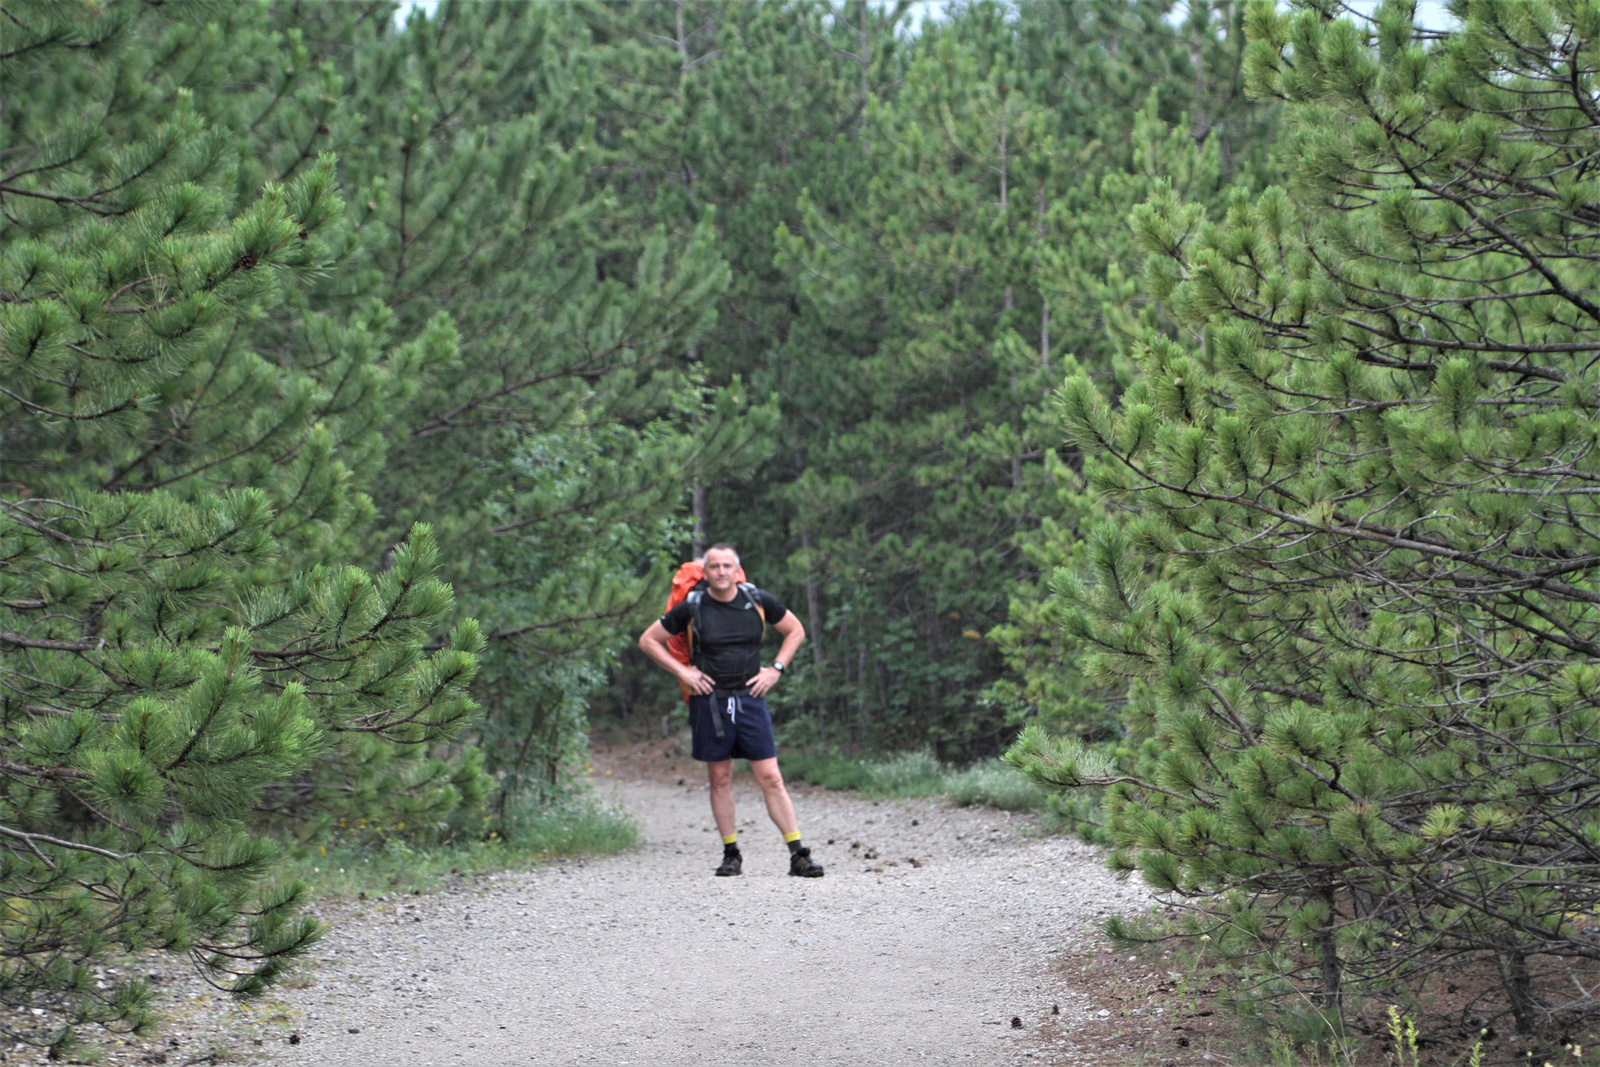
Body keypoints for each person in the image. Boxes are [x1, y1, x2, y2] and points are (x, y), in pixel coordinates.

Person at [638, 543, 823, 878]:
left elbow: (795, 631)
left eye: (727, 566)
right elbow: (648, 640)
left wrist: (775, 669)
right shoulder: (692, 606)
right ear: (705, 572)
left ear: (737, 571)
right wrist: (683, 671)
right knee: (720, 778)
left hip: (751, 698)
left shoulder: (757, 600)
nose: (721, 572)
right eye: (714, 567)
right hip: (709, 701)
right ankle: (731, 854)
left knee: (771, 776)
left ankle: (799, 854)